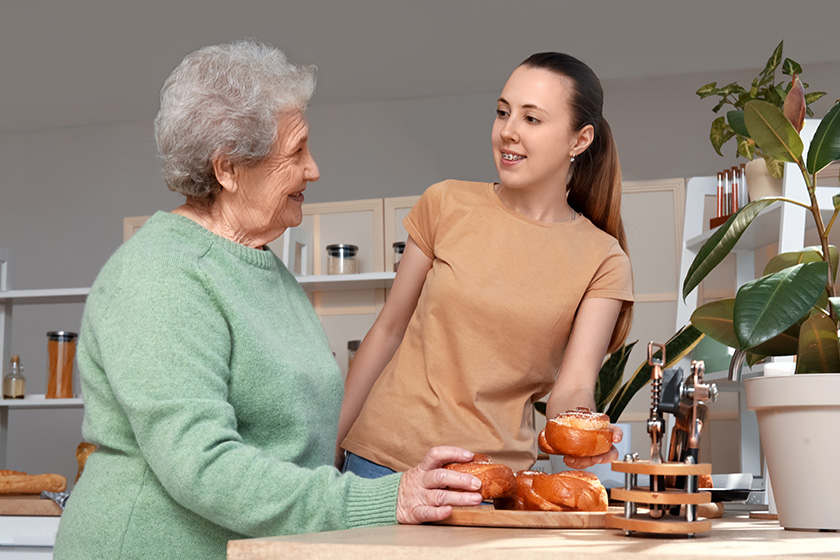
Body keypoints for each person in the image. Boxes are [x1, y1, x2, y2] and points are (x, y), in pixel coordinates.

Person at [53, 39, 482, 560]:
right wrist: (383, 499)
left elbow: (296, 443)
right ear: (228, 168)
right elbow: (202, 466)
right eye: (296, 151)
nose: (314, 169)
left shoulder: (267, 271)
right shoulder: (159, 274)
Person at [338, 52, 634, 478]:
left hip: (492, 483)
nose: (508, 132)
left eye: (532, 119)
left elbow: (572, 387)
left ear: (579, 140)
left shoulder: (603, 259)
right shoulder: (445, 203)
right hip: (381, 464)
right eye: (502, 113)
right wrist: (330, 447)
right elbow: (388, 331)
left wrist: (582, 434)